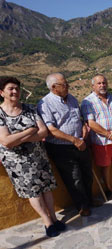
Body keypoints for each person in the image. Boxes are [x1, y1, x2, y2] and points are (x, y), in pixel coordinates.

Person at [0, 77, 65, 237]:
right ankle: (47, 222)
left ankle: (55, 219)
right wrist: (29, 131)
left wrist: (19, 137)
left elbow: (43, 132)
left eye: (17, 88)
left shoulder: (29, 108)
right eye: (11, 89)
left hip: (39, 157)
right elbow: (6, 141)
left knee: (46, 189)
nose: (15, 91)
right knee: (33, 193)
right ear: (1, 92)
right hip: (17, 163)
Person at [37, 73, 95, 217]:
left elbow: (79, 119)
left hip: (80, 142)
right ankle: (82, 206)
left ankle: (90, 200)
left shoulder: (72, 99)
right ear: (54, 87)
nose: (67, 86)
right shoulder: (45, 104)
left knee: (87, 174)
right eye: (64, 84)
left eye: (67, 83)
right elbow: (51, 130)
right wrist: (74, 140)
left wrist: (82, 129)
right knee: (74, 178)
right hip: (61, 148)